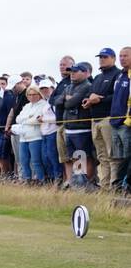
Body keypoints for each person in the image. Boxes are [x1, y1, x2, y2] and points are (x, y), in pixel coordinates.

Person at [87, 47, 120, 189]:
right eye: (100, 57)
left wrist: (100, 100)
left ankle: (114, 185)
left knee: (112, 155)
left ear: (113, 58)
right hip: (95, 120)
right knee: (101, 156)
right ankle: (105, 186)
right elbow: (90, 94)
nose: (102, 59)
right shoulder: (98, 77)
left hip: (108, 119)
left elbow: (118, 97)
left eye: (105, 57)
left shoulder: (118, 74)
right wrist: (87, 100)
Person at [11, 85, 54, 184]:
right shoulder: (27, 106)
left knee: (36, 161)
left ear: (39, 94)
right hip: (23, 137)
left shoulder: (43, 104)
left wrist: (26, 120)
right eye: (29, 95)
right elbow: (18, 119)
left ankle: (41, 180)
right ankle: (27, 179)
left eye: (34, 94)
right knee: (23, 161)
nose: (32, 96)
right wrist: (28, 118)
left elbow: (37, 120)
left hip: (36, 136)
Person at [62, 62, 95, 188]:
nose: (72, 74)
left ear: (85, 73)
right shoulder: (69, 86)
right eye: (71, 71)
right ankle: (79, 182)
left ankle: (87, 182)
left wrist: (68, 99)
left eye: (76, 71)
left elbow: (69, 104)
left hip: (82, 128)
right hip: (70, 128)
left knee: (85, 156)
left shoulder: (87, 86)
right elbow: (59, 100)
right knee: (76, 156)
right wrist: (67, 98)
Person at [49, 55, 75, 184]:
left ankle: (80, 180)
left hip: (71, 123)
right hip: (59, 123)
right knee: (64, 156)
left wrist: (62, 99)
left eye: (65, 64)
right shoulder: (62, 82)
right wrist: (63, 98)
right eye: (60, 64)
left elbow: (73, 100)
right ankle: (69, 180)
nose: (62, 67)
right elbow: (52, 100)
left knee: (76, 154)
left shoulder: (73, 80)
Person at [110, 48, 131, 192]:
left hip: (127, 124)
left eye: (126, 56)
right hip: (115, 123)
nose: (122, 58)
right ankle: (118, 185)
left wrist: (127, 120)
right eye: (121, 56)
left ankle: (126, 185)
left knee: (128, 157)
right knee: (119, 158)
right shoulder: (120, 75)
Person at [35, 77, 62, 183]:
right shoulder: (46, 102)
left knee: (53, 158)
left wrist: (43, 119)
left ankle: (57, 179)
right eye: (41, 89)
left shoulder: (54, 101)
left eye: (46, 88)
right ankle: (52, 179)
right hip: (45, 133)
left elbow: (58, 118)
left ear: (52, 88)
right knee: (45, 158)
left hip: (53, 132)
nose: (44, 91)